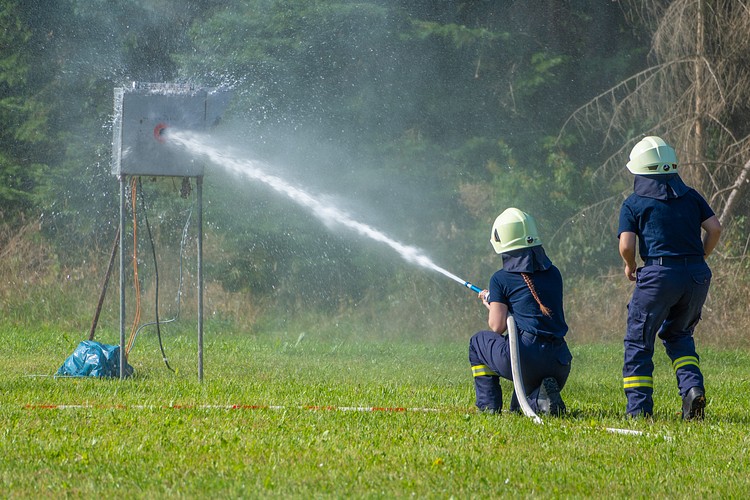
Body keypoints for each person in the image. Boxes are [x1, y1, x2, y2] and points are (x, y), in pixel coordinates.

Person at [617, 136, 722, 420]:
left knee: (639, 341)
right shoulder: (691, 196)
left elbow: (626, 245)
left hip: (659, 275)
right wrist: (699, 257)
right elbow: (715, 228)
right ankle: (692, 389)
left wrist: (630, 265)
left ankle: (639, 411)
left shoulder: (634, 203)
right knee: (679, 334)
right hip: (696, 276)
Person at [469, 208, 572, 415]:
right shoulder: (554, 273)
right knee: (518, 409)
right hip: (559, 363)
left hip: (526, 361)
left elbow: (497, 326)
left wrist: (493, 302)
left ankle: (488, 406)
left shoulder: (500, 279)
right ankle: (542, 401)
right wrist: (499, 301)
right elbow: (529, 307)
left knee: (478, 343)